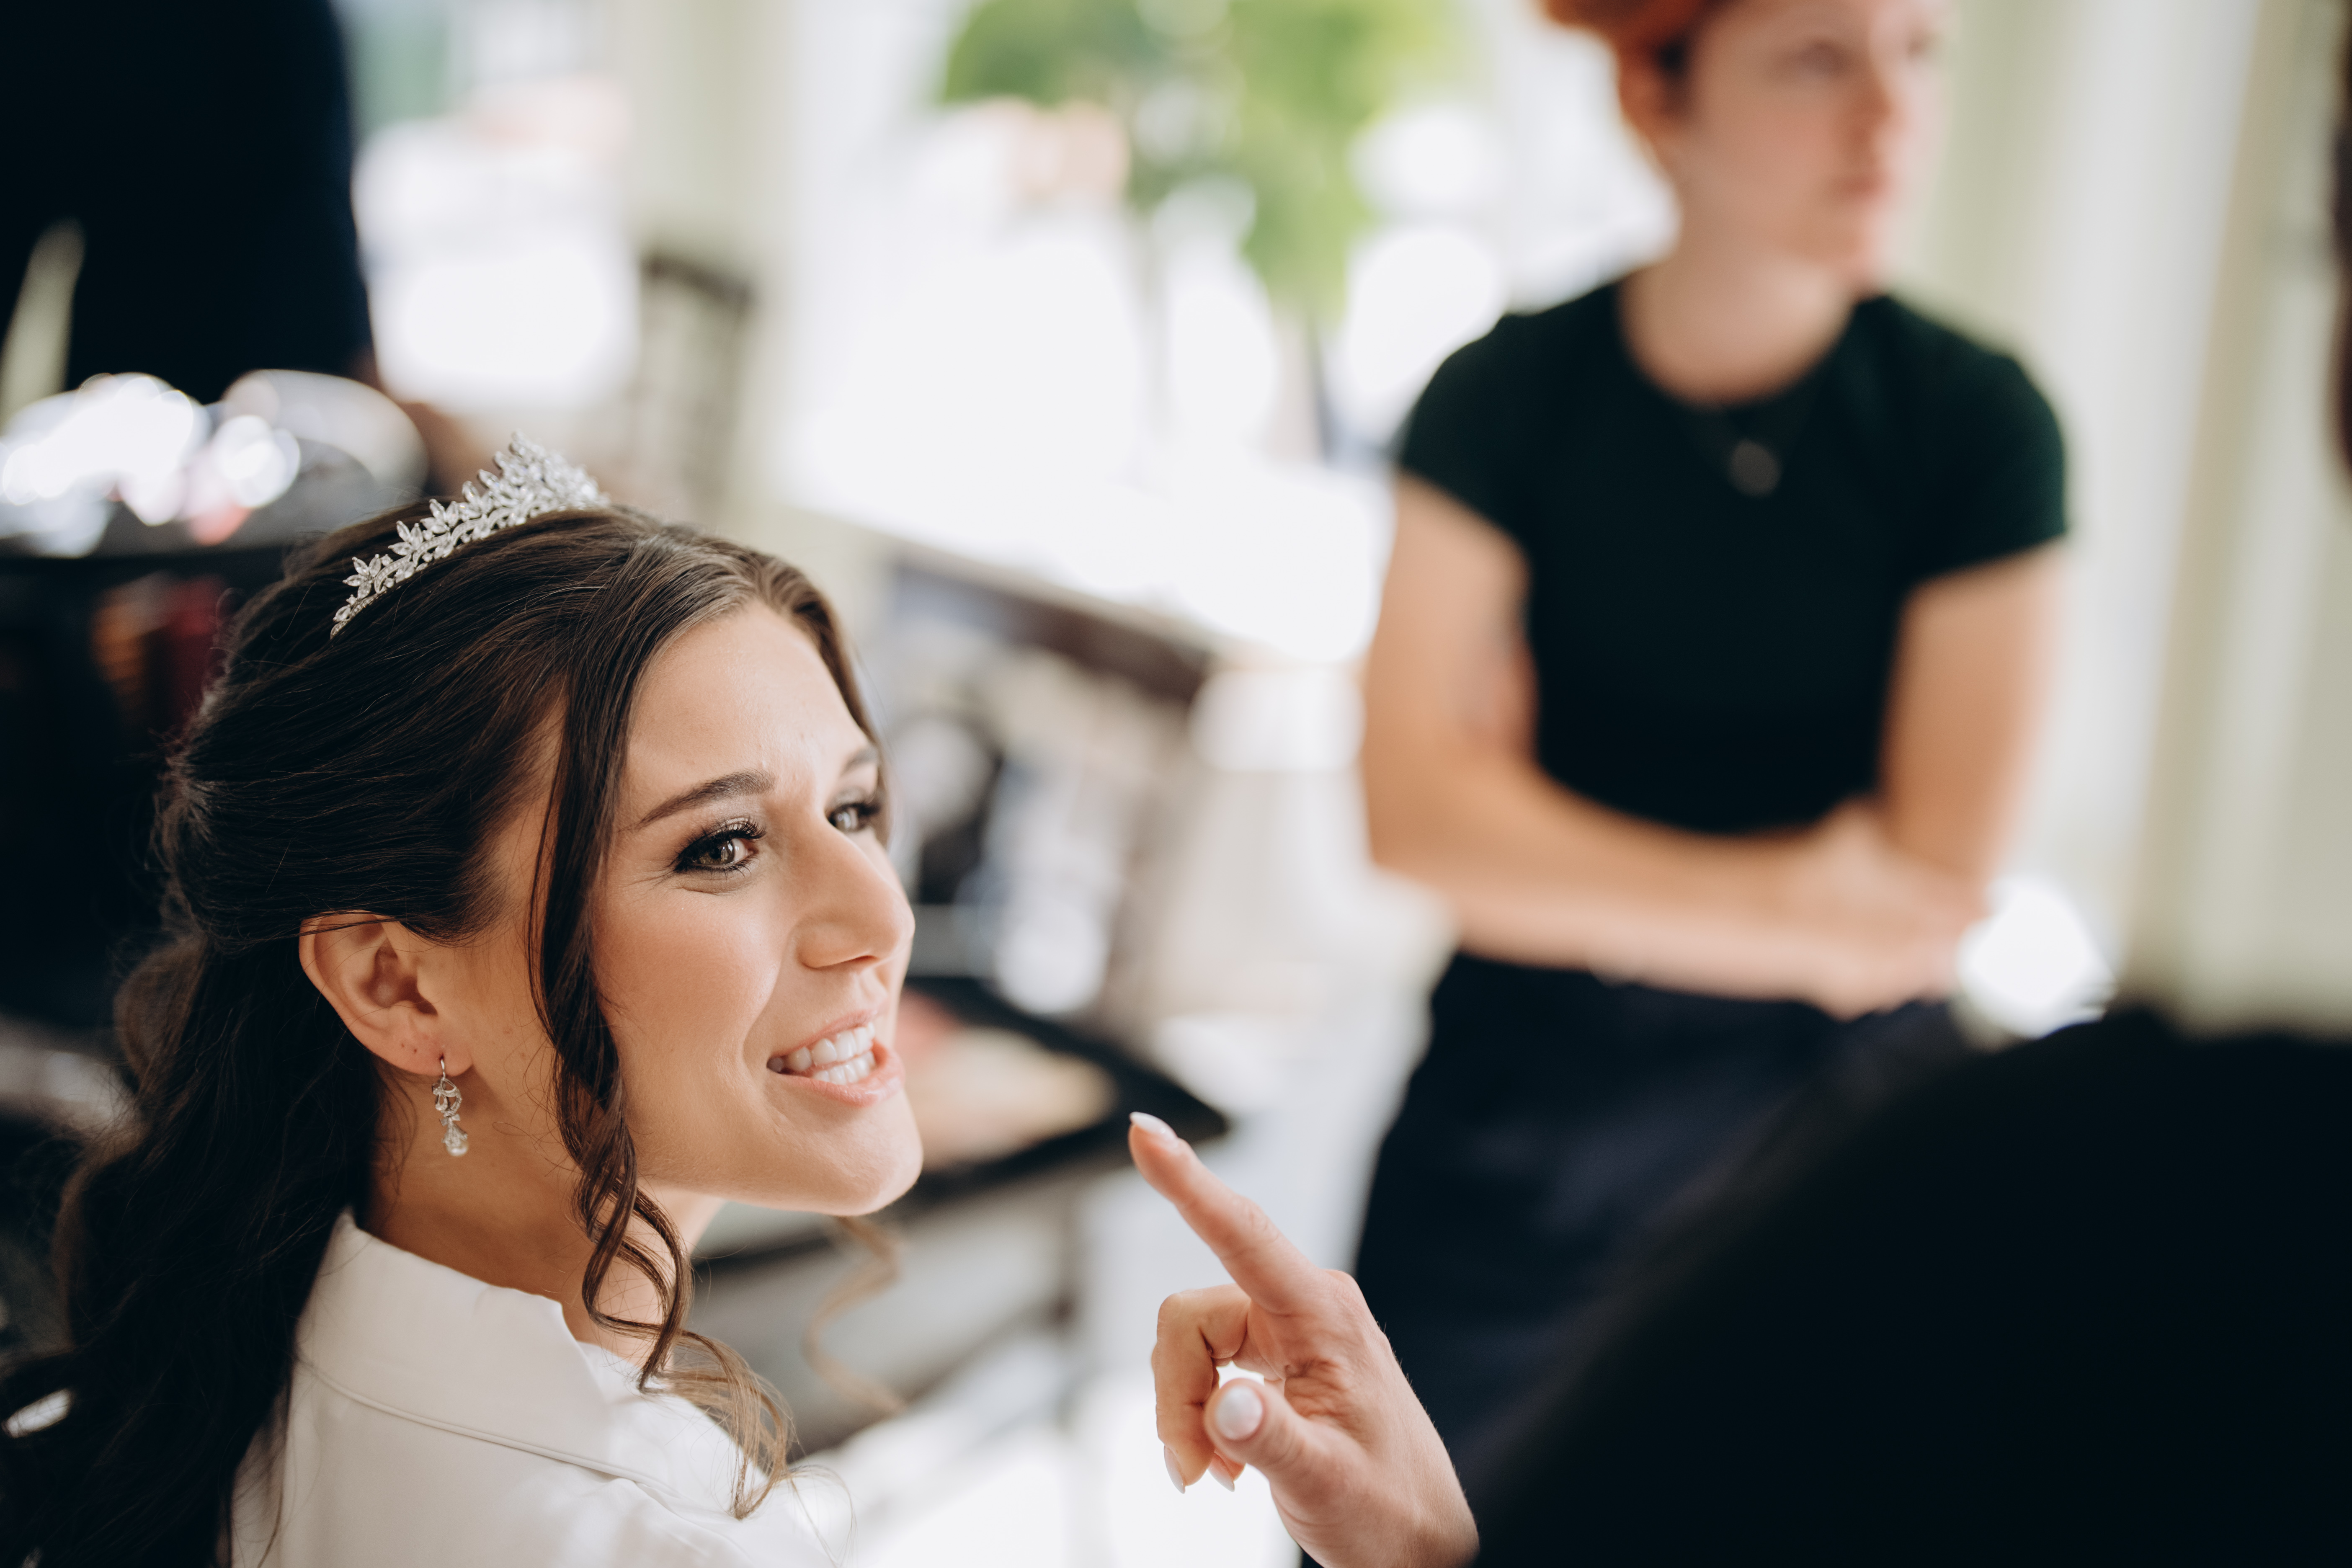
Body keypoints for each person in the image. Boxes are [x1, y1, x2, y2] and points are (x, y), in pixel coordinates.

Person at [0, 438, 1475, 1568]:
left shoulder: (228, 1365)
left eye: (854, 809)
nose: (882, 918)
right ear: (396, 983)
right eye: (719, 847)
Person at [1352, 0, 2065, 1483]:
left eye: (1919, 51)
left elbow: (1923, 906)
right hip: (1519, 1127)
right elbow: (1414, 820)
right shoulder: (1504, 397)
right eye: (1818, 58)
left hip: (1843, 1148)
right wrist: (1805, 906)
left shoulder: (1977, 423)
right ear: (1654, 96)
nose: (1892, 117)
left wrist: (1545, 858)